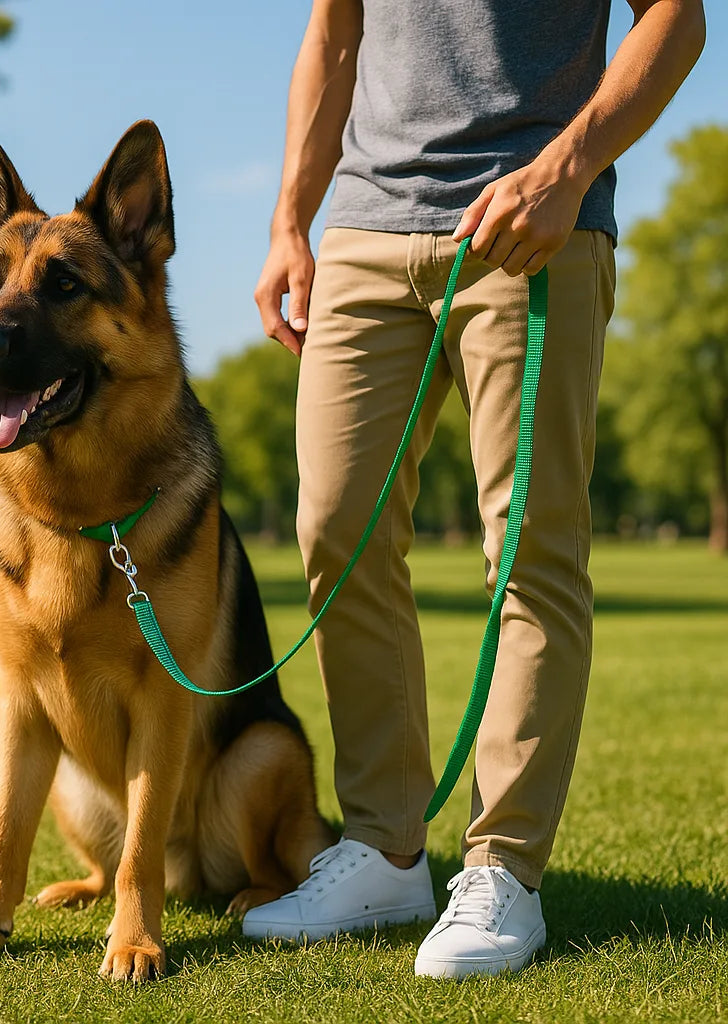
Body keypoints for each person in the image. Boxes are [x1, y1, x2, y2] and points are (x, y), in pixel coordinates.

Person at [242, 0, 705, 979]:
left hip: (532, 216)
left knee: (529, 551)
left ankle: (503, 868)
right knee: (335, 530)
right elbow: (332, 32)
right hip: (367, 224)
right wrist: (290, 217)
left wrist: (565, 168)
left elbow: (677, 18)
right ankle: (384, 851)